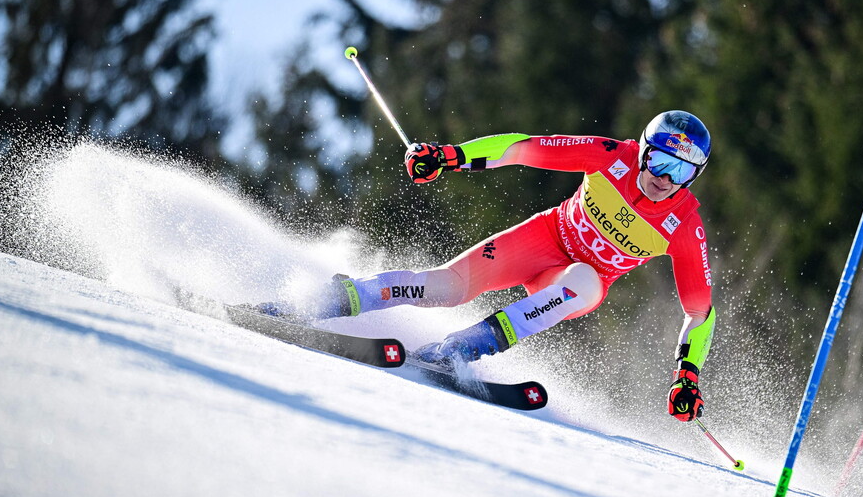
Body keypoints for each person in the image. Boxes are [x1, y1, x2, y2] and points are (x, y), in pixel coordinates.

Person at [268, 110, 717, 423]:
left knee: (584, 281)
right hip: (542, 240)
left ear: (694, 177)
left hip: (570, 281)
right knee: (447, 288)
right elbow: (521, 148)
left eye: (681, 171)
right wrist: (448, 156)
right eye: (659, 160)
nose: (664, 178)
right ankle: (332, 298)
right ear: (642, 151)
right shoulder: (609, 156)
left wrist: (688, 376)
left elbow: (700, 311)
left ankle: (461, 348)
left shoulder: (685, 226)